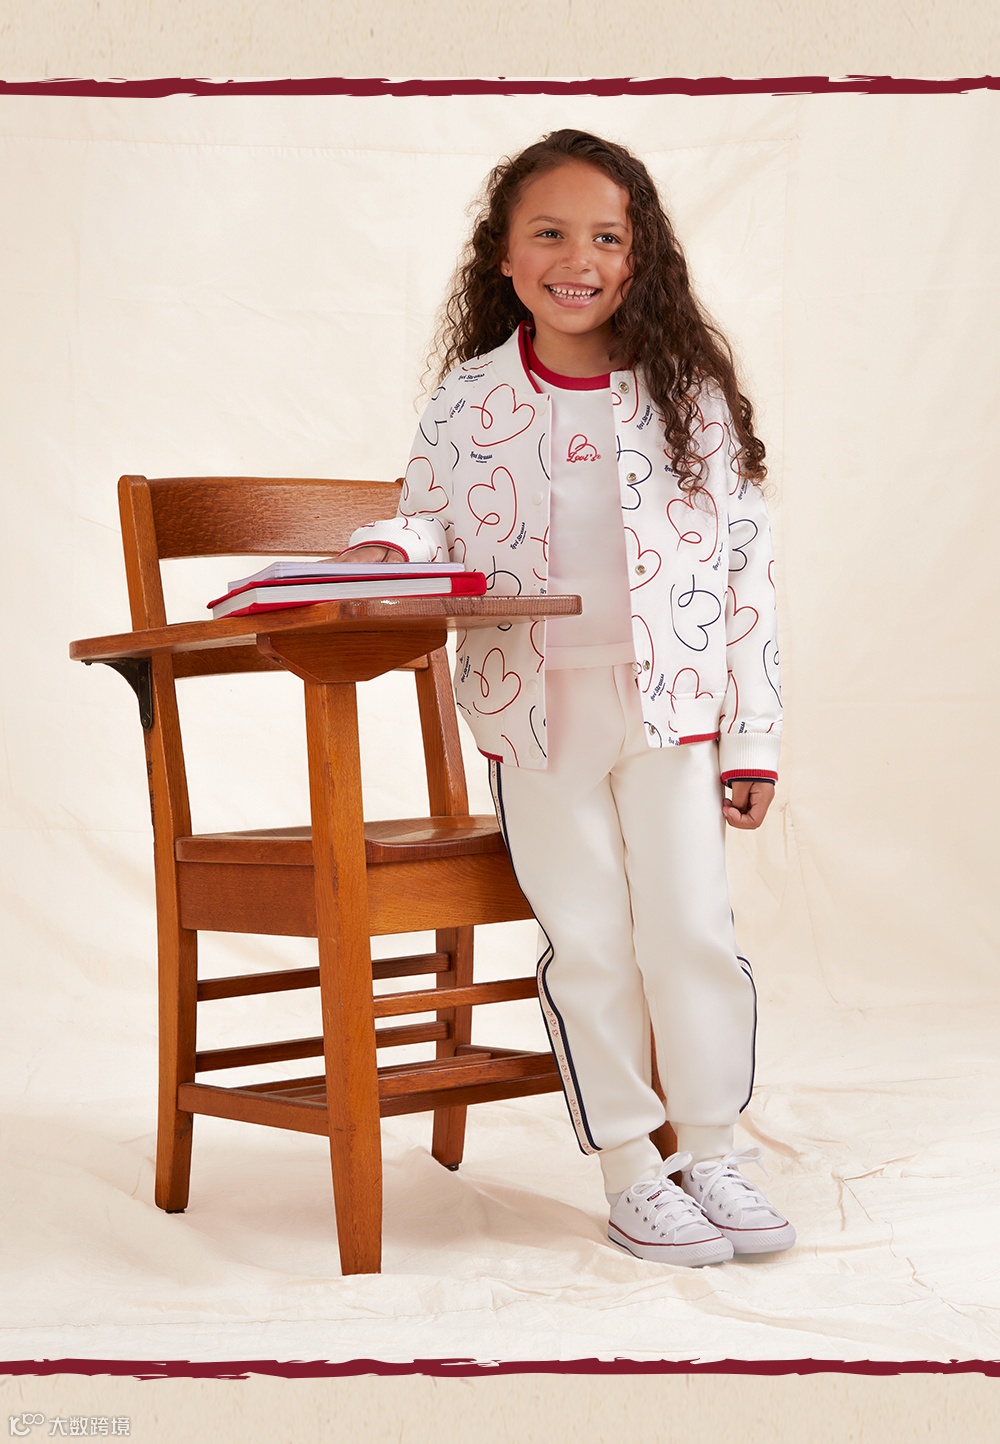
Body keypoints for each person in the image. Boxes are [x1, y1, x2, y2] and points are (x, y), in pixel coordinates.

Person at [344, 128, 794, 1266]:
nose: (577, 259)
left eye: (607, 237)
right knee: (588, 941)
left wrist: (753, 734)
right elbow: (430, 519)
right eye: (548, 233)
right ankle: (632, 1169)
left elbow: (747, 571)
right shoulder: (470, 399)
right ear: (503, 255)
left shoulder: (688, 399)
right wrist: (392, 549)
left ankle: (713, 1150)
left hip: (675, 710)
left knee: (690, 929)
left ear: (641, 260)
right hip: (532, 711)